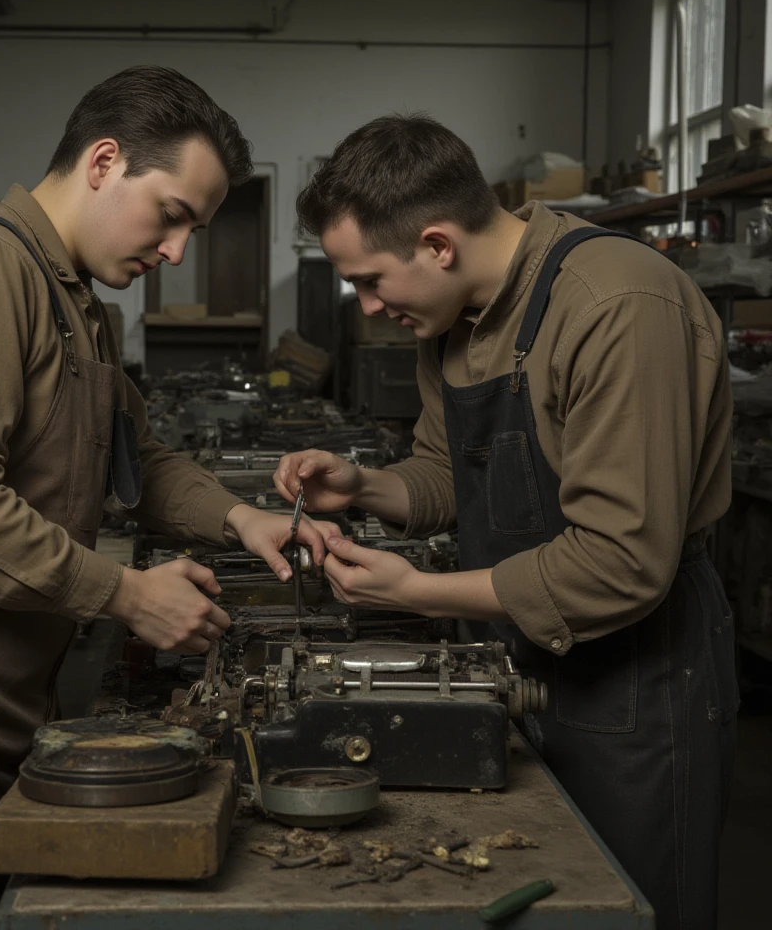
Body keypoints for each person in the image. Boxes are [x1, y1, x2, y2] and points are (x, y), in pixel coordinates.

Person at [0, 65, 332, 930]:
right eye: (174, 215)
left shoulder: (74, 299)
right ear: (105, 161)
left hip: (0, 663)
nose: (178, 251)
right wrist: (125, 595)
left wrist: (241, 515)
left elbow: (135, 457)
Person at [276, 114, 738, 930]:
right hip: (514, 653)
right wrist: (363, 486)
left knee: (629, 907)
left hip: (636, 675)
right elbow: (449, 478)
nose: (369, 305)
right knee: (524, 884)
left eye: (372, 280)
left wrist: (416, 589)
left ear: (439, 244)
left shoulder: (613, 304)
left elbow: (620, 563)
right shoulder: (451, 320)